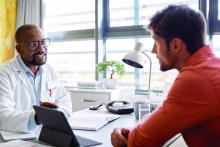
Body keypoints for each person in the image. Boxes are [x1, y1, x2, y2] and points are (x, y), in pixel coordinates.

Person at [111, 5, 220, 147]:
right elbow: (164, 118)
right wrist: (134, 132)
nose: (153, 50)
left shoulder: (195, 79)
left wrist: (129, 135)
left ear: (175, 45)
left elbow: (141, 142)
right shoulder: (210, 67)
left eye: (156, 41)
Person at [0, 24, 72, 133]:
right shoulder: (4, 73)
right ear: (18, 48)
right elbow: (3, 116)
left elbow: (65, 102)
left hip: (47, 135)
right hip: (16, 139)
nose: (42, 49)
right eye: (33, 44)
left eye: (43, 42)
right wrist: (37, 117)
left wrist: (54, 113)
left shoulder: (50, 71)